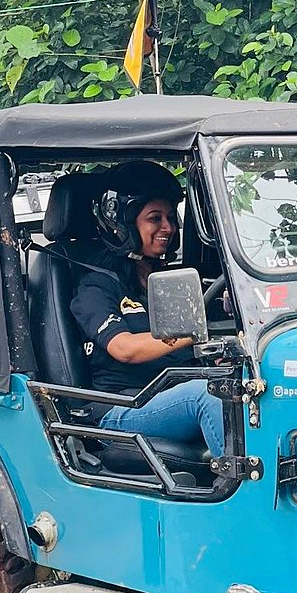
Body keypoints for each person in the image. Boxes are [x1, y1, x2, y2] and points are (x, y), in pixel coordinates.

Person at [70, 161, 225, 459]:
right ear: (123, 224)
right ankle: (247, 487)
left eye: (171, 218)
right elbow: (125, 348)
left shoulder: (166, 280)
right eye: (155, 218)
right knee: (208, 397)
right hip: (123, 406)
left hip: (171, 392)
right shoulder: (96, 285)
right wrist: (197, 335)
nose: (168, 227)